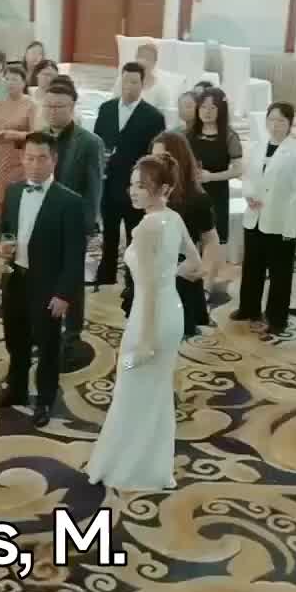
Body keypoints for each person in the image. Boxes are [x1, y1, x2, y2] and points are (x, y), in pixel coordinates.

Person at [87, 152, 201, 493]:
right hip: (171, 311)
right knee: (155, 391)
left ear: (163, 188)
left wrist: (147, 338)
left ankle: (128, 468)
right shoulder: (173, 218)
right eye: (132, 185)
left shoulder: (147, 226)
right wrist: (169, 276)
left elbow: (148, 288)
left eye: (141, 186)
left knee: (133, 388)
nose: (133, 191)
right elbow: (195, 265)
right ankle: (151, 467)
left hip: (150, 318)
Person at [0, 134, 86, 427]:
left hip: (48, 285)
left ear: (54, 160)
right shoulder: (14, 191)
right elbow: (4, 228)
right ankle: (16, 389)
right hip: (15, 277)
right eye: (29, 158)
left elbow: (75, 255)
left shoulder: (70, 202)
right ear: (22, 158)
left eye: (41, 158)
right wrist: (2, 244)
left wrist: (64, 294)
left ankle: (45, 400)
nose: (34, 164)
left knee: (47, 346)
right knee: (15, 338)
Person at [38, 83, 105, 364]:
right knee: (43, 277)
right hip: (43, 219)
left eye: (60, 106)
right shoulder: (39, 137)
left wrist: (87, 226)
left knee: (72, 281)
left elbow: (94, 189)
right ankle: (47, 332)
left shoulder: (89, 142)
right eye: (49, 106)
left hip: (74, 222)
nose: (53, 111)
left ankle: (72, 337)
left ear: (72, 107)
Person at [234, 104, 296, 339]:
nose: (275, 126)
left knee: (279, 273)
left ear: (290, 124)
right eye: (271, 120)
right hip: (255, 216)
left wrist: (290, 228)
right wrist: (248, 194)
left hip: (279, 221)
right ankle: (249, 308)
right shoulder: (258, 146)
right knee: (252, 266)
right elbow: (248, 176)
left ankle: (277, 318)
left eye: (281, 121)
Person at [93, 65, 166, 286]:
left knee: (136, 233)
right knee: (109, 232)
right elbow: (98, 140)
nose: (129, 86)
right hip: (108, 182)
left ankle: (133, 280)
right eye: (125, 81)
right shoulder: (106, 108)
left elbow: (155, 154)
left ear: (142, 85)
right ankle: (106, 275)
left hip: (136, 185)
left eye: (134, 82)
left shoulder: (153, 116)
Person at [139, 131, 217, 336]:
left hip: (180, 277)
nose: (156, 164)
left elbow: (210, 239)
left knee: (173, 335)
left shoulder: (197, 199)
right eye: (153, 157)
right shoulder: (148, 192)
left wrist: (205, 276)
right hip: (150, 274)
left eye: (161, 158)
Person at [185, 87, 242, 245]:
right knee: (191, 240)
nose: (207, 112)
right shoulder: (189, 134)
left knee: (213, 242)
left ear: (221, 110)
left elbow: (238, 170)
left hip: (217, 194)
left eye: (212, 108)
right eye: (203, 107)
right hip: (192, 193)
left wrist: (211, 177)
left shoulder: (229, 136)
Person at [0, 62, 34, 224]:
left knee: (16, 199)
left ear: (24, 82)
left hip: (20, 158)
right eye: (7, 79)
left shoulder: (31, 104)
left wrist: (12, 134)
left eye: (14, 79)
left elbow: (35, 134)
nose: (10, 83)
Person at [111, 41, 172, 117]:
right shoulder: (122, 80)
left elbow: (164, 116)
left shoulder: (160, 89)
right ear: (136, 59)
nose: (143, 61)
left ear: (154, 63)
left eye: (148, 58)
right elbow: (113, 105)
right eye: (141, 57)